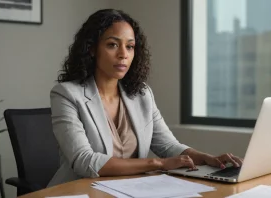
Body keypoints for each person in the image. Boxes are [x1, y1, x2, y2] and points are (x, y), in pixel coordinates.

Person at [48, 9, 242, 187]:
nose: (123, 54)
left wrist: (207, 158)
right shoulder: (66, 94)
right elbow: (85, 161)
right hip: (79, 191)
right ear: (91, 49)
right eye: (112, 45)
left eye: (130, 46)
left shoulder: (142, 94)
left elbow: (168, 146)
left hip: (131, 190)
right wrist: (157, 163)